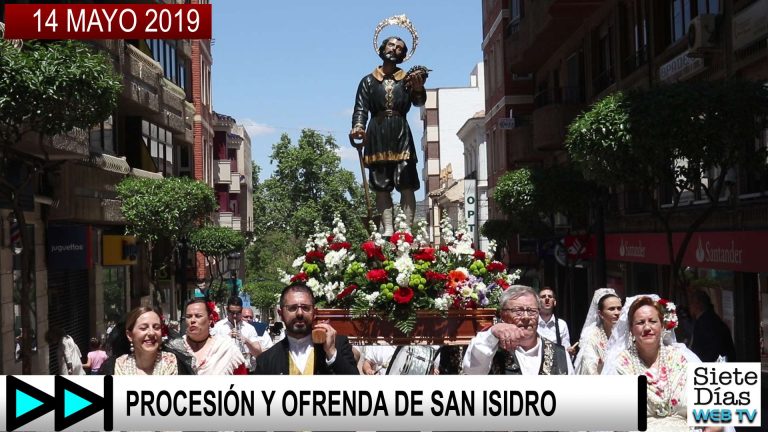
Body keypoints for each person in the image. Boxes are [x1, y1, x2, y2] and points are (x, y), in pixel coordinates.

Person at [350, 35, 427, 235]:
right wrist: (358, 127)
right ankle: (388, 228)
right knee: (381, 185)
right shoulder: (368, 81)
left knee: (407, 181)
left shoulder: (408, 80)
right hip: (378, 134)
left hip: (401, 132)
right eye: (391, 45)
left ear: (403, 55)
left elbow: (418, 102)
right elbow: (361, 108)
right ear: (383, 48)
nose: (394, 49)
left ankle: (406, 230)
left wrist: (418, 89)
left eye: (399, 48)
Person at [602, 295, 704, 432]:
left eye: (653, 321)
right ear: (631, 329)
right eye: (640, 322)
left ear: (662, 326)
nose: (647, 327)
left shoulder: (683, 359)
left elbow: (712, 416)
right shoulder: (620, 365)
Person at [462, 285, 573, 375]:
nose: (526, 317)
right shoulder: (490, 348)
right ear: (503, 315)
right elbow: (472, 371)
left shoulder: (561, 355)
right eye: (518, 311)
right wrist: (492, 332)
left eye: (531, 311)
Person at [254, 282, 359, 375]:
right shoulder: (266, 360)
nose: (299, 313)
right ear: (280, 313)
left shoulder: (338, 345)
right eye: (292, 308)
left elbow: (356, 388)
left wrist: (331, 353)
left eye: (305, 308)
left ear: (314, 312)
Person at [101, 306, 193, 375]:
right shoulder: (115, 367)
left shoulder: (174, 364)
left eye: (156, 327)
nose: (151, 333)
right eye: (143, 328)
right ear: (129, 335)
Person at [167, 299, 246, 375]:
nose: (192, 320)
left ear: (210, 319)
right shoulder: (174, 348)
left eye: (198, 316)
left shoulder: (226, 349)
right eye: (189, 316)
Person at [211, 297, 272, 370]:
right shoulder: (218, 327)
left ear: (241, 310)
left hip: (244, 370)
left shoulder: (249, 328)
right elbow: (210, 351)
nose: (234, 316)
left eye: (238, 313)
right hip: (223, 370)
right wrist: (226, 338)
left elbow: (258, 353)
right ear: (227, 309)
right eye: (232, 312)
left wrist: (246, 341)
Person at [573, 288, 622, 375]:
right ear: (600, 314)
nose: (617, 312)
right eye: (611, 309)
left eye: (619, 308)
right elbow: (588, 363)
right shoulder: (591, 336)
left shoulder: (627, 334)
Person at [688, 289, 736, 362]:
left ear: (698, 304)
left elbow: (705, 351)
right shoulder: (712, 319)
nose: (690, 307)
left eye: (691, 303)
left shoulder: (705, 322)